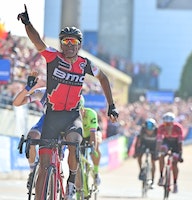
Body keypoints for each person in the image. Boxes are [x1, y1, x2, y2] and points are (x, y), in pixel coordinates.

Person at [17, 5, 119, 200]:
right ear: (61, 43)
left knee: (73, 143)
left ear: (79, 45)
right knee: (44, 164)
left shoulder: (85, 64)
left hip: (73, 116)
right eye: (65, 41)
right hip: (52, 116)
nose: (69, 45)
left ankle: (71, 181)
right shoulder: (53, 57)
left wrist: (111, 105)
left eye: (74, 41)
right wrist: (28, 24)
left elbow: (104, 78)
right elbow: (37, 41)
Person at [13, 71, 46, 189]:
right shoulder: (43, 92)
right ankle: (32, 171)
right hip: (46, 121)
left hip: (63, 123)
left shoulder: (67, 89)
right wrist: (28, 88)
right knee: (31, 138)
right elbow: (16, 103)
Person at [156, 112, 183, 193]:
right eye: (166, 124)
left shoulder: (178, 128)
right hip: (166, 141)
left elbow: (180, 143)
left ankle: (175, 183)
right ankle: (161, 177)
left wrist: (180, 155)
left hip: (176, 144)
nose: (167, 126)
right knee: (162, 154)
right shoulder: (161, 128)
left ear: (173, 123)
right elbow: (159, 141)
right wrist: (158, 152)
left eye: (169, 124)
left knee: (174, 163)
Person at [79, 95, 102, 186]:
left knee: (96, 144)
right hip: (81, 136)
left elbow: (93, 134)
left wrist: (93, 148)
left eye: (80, 110)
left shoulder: (91, 114)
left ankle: (96, 172)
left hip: (92, 134)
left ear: (83, 108)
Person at [133, 118, 158, 188]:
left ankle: (152, 180)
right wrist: (136, 152)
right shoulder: (142, 130)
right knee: (139, 156)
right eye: (148, 130)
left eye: (151, 130)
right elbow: (137, 142)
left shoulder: (157, 131)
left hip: (154, 146)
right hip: (144, 144)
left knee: (153, 162)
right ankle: (141, 170)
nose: (149, 132)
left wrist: (157, 152)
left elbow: (160, 142)